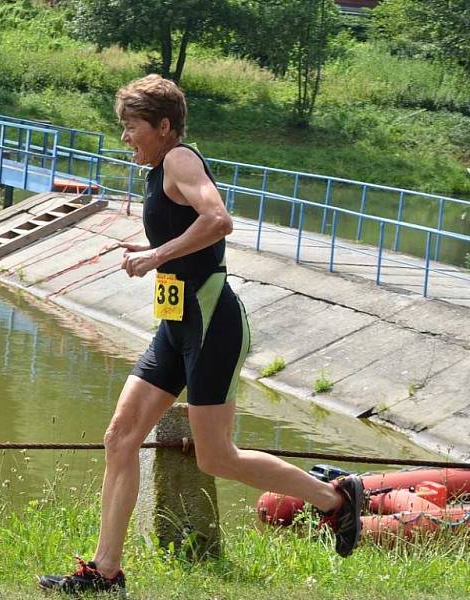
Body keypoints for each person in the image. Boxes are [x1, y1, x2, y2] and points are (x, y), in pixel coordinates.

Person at [38, 74, 364, 596]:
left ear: (164, 126)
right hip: (176, 323)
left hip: (212, 323)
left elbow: (218, 220)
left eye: (132, 127)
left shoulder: (179, 160)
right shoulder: (157, 169)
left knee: (216, 457)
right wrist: (153, 250)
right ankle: (105, 572)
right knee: (121, 438)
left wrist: (154, 255)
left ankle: (335, 500)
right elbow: (188, 228)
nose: (126, 137)